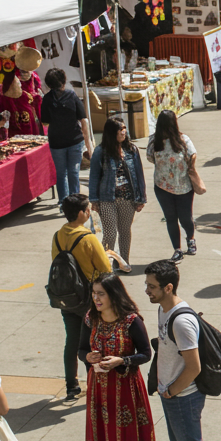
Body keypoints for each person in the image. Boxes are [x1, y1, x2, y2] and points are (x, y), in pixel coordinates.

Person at [81, 273, 157, 441]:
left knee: (126, 438)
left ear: (113, 294)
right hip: (98, 391)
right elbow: (81, 349)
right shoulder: (90, 318)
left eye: (101, 294)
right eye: (94, 293)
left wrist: (122, 360)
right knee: (101, 439)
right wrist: (87, 357)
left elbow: (146, 354)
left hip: (126, 391)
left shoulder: (131, 321)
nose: (96, 298)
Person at [145, 259, 211, 441]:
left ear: (168, 287)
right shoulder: (163, 310)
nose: (147, 291)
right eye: (147, 285)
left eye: (152, 286)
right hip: (171, 394)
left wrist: (172, 391)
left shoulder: (181, 322)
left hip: (184, 397)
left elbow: (194, 367)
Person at [52, 194, 113, 401]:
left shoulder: (58, 236)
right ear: (80, 213)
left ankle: (71, 385)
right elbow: (105, 269)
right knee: (91, 343)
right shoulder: (88, 238)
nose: (89, 212)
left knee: (72, 341)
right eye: (87, 209)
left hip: (67, 297)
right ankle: (93, 384)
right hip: (87, 299)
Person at [89, 118, 144, 273]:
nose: (123, 132)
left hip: (128, 198)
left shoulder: (131, 150)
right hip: (107, 199)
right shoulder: (100, 151)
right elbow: (94, 177)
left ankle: (123, 262)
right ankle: (104, 264)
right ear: (111, 132)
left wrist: (141, 198)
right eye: (120, 129)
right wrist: (94, 200)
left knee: (125, 232)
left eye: (124, 128)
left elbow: (139, 175)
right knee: (110, 234)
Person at [148, 110, 200, 262]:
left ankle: (190, 239)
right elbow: (150, 157)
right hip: (163, 187)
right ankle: (177, 249)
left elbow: (193, 154)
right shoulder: (153, 141)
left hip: (184, 187)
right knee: (171, 218)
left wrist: (190, 168)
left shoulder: (183, 139)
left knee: (185, 218)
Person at [41, 68, 93, 201]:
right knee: (73, 172)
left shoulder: (47, 99)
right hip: (75, 140)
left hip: (56, 142)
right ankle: (75, 201)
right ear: (64, 81)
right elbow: (83, 119)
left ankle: (63, 203)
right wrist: (89, 144)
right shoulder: (72, 95)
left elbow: (45, 122)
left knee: (61, 174)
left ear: (49, 84)